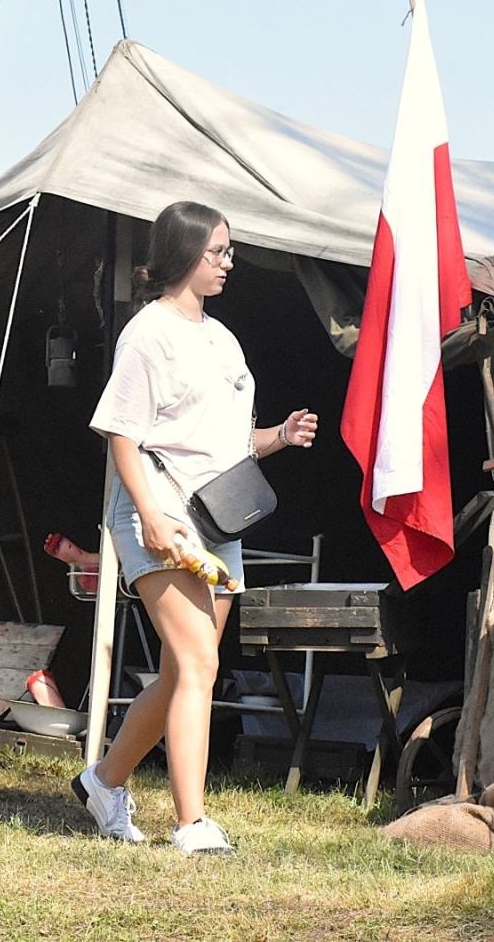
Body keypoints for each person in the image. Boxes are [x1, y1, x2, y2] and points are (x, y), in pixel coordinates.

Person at [77, 201, 319, 856]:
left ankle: (103, 782)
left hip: (218, 520)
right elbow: (122, 437)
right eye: (219, 251)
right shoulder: (147, 333)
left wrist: (279, 436)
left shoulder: (223, 338)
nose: (229, 262)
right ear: (185, 255)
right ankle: (191, 824)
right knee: (199, 662)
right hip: (158, 514)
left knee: (185, 672)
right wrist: (151, 518)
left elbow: (226, 441)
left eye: (230, 251)